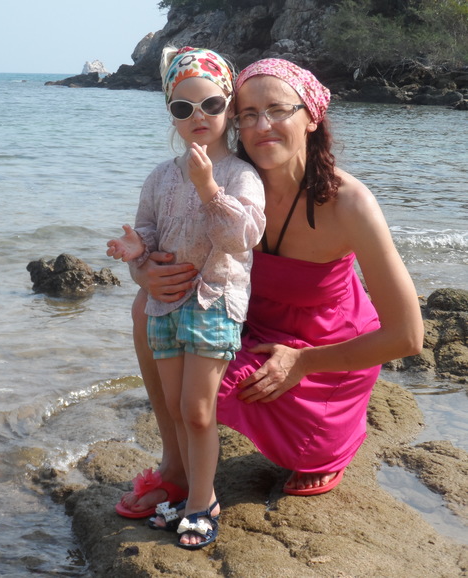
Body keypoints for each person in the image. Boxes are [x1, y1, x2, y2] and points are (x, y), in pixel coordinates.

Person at [117, 58, 424, 545]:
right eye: (248, 114)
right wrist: (143, 271)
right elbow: (167, 251)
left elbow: (408, 336)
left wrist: (304, 362)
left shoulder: (349, 202)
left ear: (312, 117)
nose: (262, 126)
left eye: (278, 110)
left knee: (296, 451)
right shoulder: (227, 185)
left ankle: (332, 442)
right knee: (146, 307)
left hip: (323, 357)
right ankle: (175, 467)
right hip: (253, 331)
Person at [107, 46, 266, 549]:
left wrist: (208, 188)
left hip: (215, 303)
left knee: (198, 411)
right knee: (177, 409)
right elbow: (150, 230)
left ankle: (202, 502)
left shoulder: (240, 174)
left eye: (211, 104)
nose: (198, 116)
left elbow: (242, 238)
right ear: (171, 114)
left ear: (229, 108)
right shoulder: (159, 176)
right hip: (166, 306)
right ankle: (187, 494)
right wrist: (137, 249)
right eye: (183, 107)